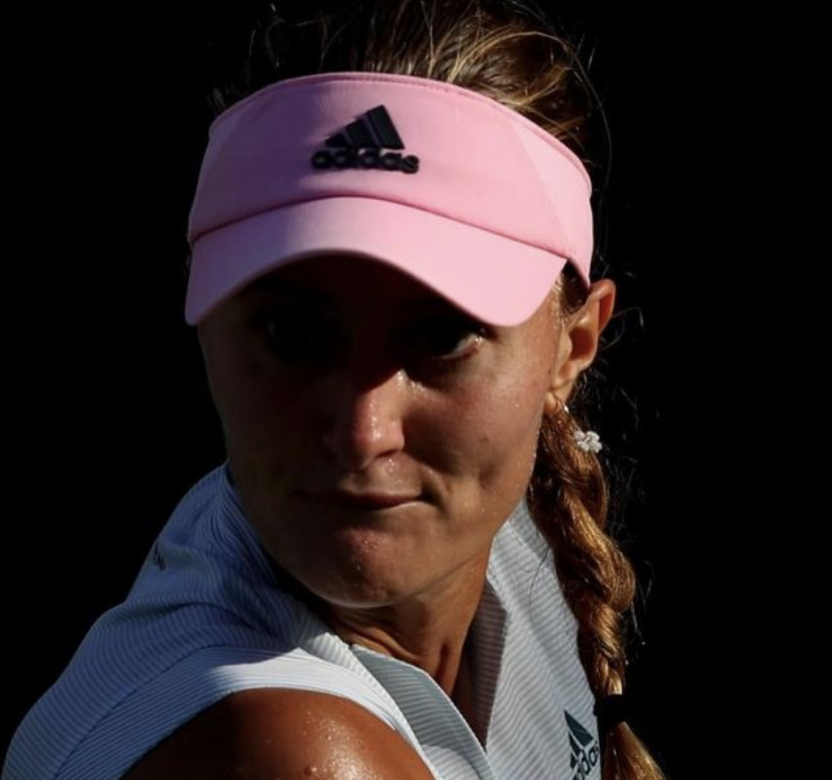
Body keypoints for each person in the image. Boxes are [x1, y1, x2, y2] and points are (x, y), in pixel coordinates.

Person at [3, 1, 665, 778]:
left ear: (571, 347)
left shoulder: (523, 536)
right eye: (293, 333)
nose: (363, 431)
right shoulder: (286, 749)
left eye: (442, 336)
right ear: (204, 326)